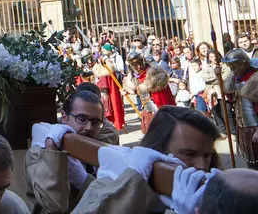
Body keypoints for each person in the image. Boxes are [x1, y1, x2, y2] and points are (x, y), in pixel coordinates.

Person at [71, 106, 221, 213]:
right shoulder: (109, 183)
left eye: (207, 156)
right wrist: (132, 182)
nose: (202, 165)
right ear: (158, 151)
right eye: (189, 154)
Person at [25, 91, 105, 213]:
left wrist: (83, 180)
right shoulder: (39, 151)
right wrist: (51, 149)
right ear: (64, 117)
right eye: (82, 119)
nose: (89, 127)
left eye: (95, 122)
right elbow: (53, 206)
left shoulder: (100, 150)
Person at [221, 50, 258, 170]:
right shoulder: (236, 79)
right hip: (243, 125)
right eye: (230, 68)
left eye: (235, 67)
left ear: (244, 64)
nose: (232, 71)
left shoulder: (254, 78)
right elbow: (233, 99)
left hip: (255, 126)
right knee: (251, 162)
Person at [90, 44, 125, 133]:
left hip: (106, 92)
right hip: (99, 91)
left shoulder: (108, 68)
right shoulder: (98, 67)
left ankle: (109, 126)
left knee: (107, 108)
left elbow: (106, 77)